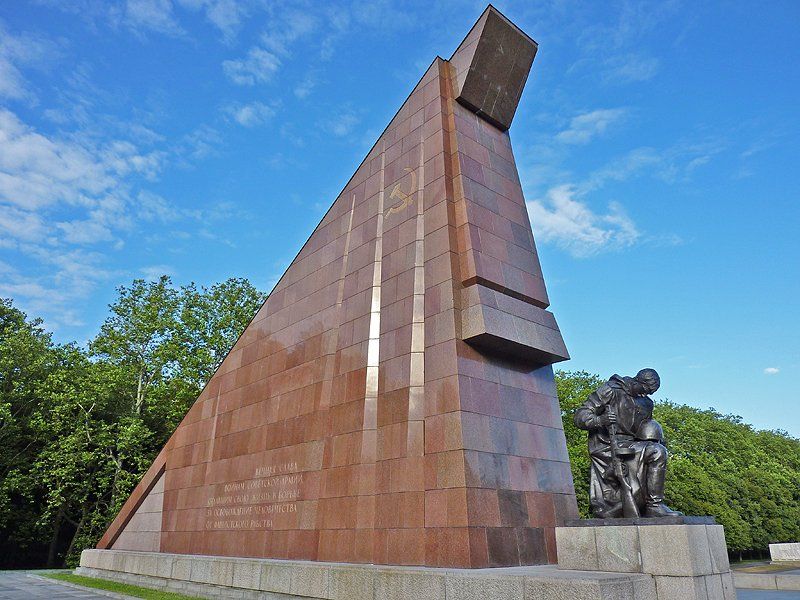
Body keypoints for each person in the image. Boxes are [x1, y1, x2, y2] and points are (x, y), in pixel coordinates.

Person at [573, 368, 683, 518]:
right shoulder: (610, 390)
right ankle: (654, 505)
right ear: (637, 380)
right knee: (657, 452)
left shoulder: (646, 403)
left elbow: (645, 428)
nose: (645, 395)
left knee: (658, 449)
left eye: (650, 393)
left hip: (633, 445)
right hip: (607, 447)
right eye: (645, 390)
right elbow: (580, 416)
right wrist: (600, 420)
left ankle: (652, 505)